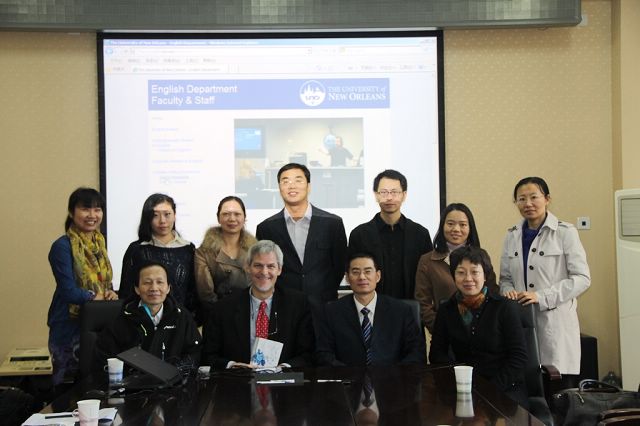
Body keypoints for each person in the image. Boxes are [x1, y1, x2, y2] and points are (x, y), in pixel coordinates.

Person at [500, 177, 590, 387]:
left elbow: (582, 278)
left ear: (547, 199)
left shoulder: (565, 232)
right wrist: (509, 291)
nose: (528, 203)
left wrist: (541, 297)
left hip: (555, 326)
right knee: (524, 393)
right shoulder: (512, 235)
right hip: (520, 326)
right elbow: (505, 279)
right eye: (521, 199)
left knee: (557, 391)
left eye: (534, 197)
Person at [430, 246, 528, 407]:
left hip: (504, 388)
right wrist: (458, 375)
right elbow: (436, 354)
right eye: (461, 272)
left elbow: (518, 357)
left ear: (485, 275)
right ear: (453, 275)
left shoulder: (504, 307)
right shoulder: (447, 309)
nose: (468, 278)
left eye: (475, 272)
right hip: (462, 387)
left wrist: (489, 388)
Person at [201, 240, 315, 370]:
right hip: (238, 379)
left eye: (271, 266)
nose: (264, 272)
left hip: (283, 379)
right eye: (258, 265)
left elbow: (308, 354)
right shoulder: (224, 308)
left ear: (279, 269)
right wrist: (233, 366)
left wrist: (283, 368)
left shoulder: (298, 305)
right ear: (247, 267)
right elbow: (208, 355)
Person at [47, 188, 118, 386]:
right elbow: (68, 290)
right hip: (69, 326)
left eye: (97, 209)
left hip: (97, 324)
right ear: (72, 212)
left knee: (97, 385)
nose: (92, 215)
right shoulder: (62, 246)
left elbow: (103, 282)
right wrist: (93, 296)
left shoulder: (99, 243)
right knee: (69, 387)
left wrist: (109, 293)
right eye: (86, 209)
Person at [255, 163, 347, 308]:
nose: (292, 186)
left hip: (324, 305)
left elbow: (340, 265)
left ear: (308, 186)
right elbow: (265, 270)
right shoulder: (266, 228)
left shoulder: (332, 223)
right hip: (284, 306)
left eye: (298, 180)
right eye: (285, 181)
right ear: (279, 188)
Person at [316, 252, 426, 366]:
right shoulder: (331, 311)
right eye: (355, 272)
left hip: (393, 376)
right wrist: (348, 373)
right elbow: (324, 354)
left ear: (378, 276)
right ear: (347, 278)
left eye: (368, 271)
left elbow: (416, 352)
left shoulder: (401, 310)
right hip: (347, 376)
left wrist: (394, 374)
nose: (362, 277)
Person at [96, 260, 201, 370]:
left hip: (174, 379)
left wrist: (176, 371)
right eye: (147, 282)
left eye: (160, 282)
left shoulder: (182, 317)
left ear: (168, 288)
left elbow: (194, 353)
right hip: (132, 380)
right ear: (137, 289)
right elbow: (105, 359)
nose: (154, 288)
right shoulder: (122, 319)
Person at [414, 203, 498, 333]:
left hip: (482, 332)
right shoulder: (427, 261)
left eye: (463, 224)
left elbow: (493, 293)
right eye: (450, 224)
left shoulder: (481, 257)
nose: (456, 229)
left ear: (470, 228)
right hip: (445, 334)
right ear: (442, 226)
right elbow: (423, 303)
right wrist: (441, 328)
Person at [349, 169, 432, 299]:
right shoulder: (360, 235)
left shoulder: (420, 234)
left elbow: (428, 275)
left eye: (394, 192)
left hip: (411, 305)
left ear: (404, 195)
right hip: (373, 305)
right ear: (376, 195)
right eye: (383, 192)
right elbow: (353, 274)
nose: (389, 198)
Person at [119, 193, 198, 317]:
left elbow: (193, 291)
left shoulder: (188, 249)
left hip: (181, 320)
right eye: (155, 215)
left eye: (167, 214)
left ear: (175, 215)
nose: (162, 221)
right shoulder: (137, 249)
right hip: (143, 320)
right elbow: (126, 291)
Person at [194, 196, 257, 317]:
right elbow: (206, 294)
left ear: (244, 217)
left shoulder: (255, 250)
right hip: (216, 316)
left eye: (237, 214)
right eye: (226, 214)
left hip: (251, 313)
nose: (232, 219)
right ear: (218, 218)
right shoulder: (204, 252)